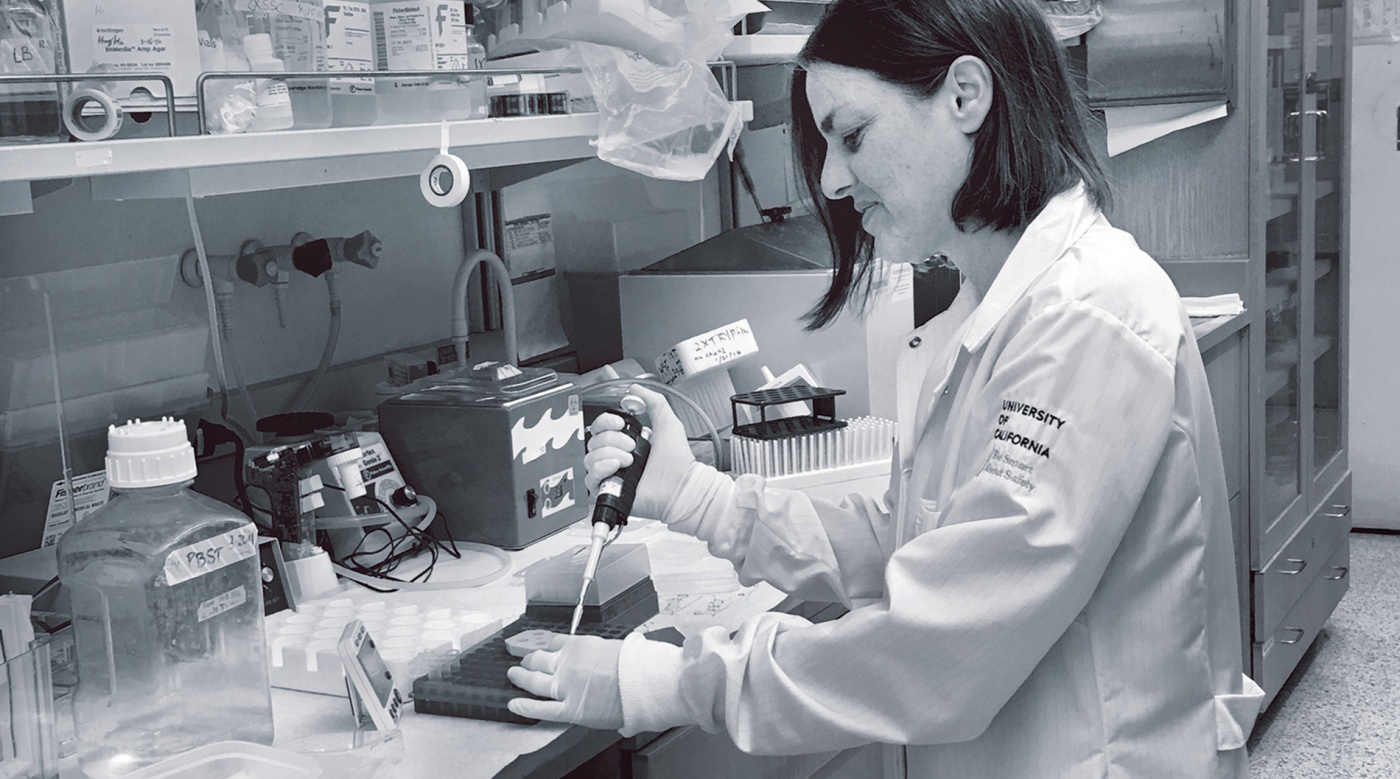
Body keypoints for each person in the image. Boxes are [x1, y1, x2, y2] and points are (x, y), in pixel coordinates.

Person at [506, 0, 1265, 773]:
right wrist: (700, 498)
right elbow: (922, 538)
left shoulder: (1087, 317)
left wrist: (664, 682)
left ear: (965, 96)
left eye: (853, 134)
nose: (833, 179)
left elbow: (944, 648)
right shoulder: (990, 304)